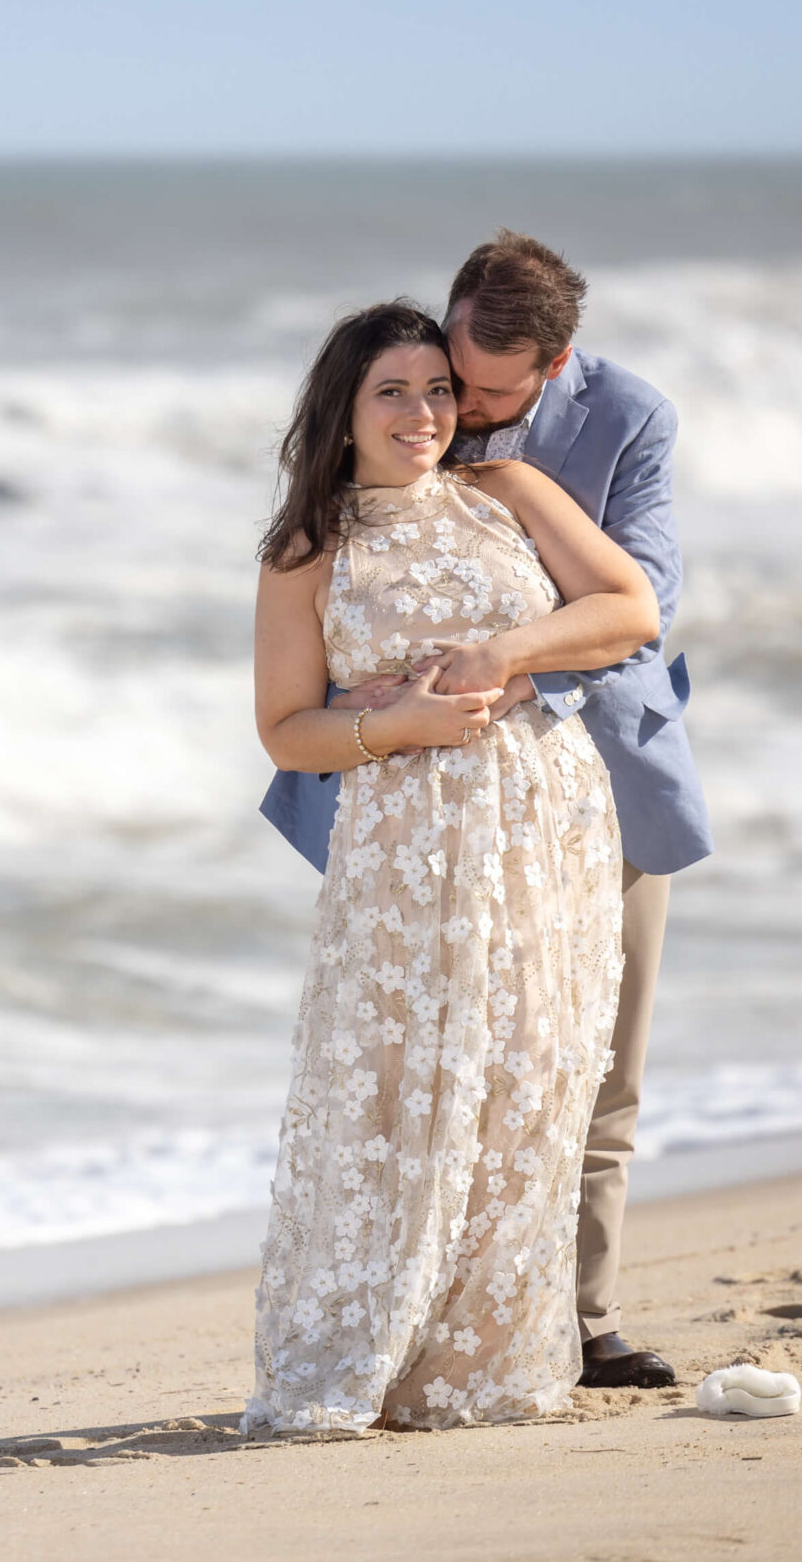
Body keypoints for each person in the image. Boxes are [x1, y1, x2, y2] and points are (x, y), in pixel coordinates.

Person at [266, 232, 711, 1391]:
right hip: (409, 830)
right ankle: (407, 1322)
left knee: (575, 1063)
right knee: (417, 1075)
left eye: (470, 392)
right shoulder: (329, 521)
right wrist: (391, 719)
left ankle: (575, 1319)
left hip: (583, 779)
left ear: (554, 366)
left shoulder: (607, 432)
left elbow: (638, 600)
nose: (448, 408)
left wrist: (504, 662)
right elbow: (285, 711)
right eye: (426, 382)